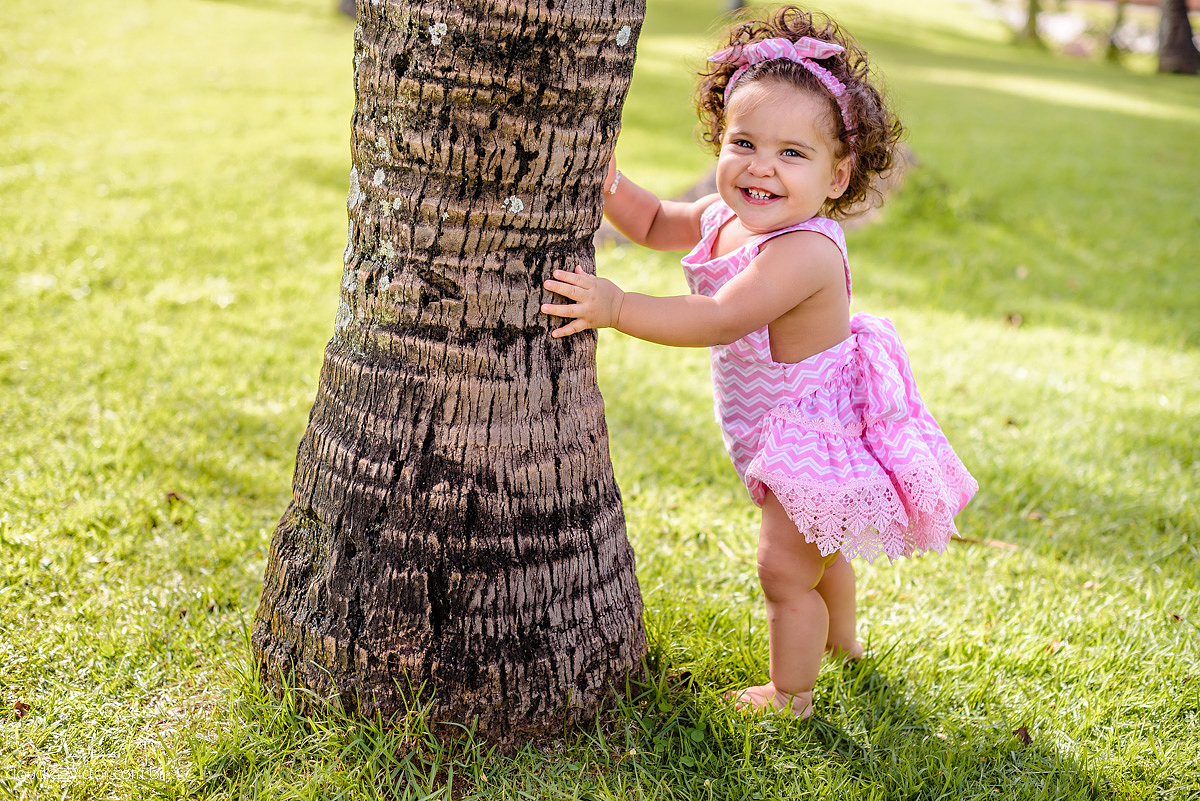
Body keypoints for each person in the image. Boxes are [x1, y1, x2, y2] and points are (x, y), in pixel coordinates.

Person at [541, 6, 977, 719]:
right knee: (821, 550)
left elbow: (720, 316)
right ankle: (844, 643)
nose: (761, 166)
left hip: (811, 435)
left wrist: (617, 306)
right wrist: (610, 182)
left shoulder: (804, 250)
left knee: (785, 569)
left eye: (792, 154)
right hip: (773, 424)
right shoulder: (725, 215)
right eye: (743, 141)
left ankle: (791, 692)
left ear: (838, 176)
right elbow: (652, 222)